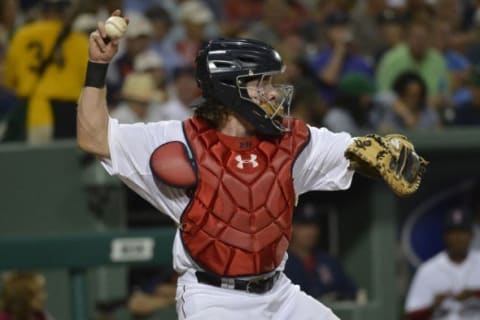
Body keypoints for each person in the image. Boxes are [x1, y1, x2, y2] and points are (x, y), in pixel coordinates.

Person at [77, 10, 426, 320]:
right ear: (230, 89)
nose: (273, 93)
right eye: (262, 83)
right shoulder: (176, 140)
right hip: (212, 298)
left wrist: (384, 152)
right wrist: (97, 66)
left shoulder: (290, 138)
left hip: (279, 294)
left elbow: (356, 150)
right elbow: (93, 137)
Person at [3, 0, 89, 143]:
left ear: (42, 10)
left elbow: (10, 80)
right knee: (64, 162)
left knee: (32, 161)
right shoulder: (79, 41)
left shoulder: (22, 35)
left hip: (31, 110)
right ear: (66, 10)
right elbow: (89, 83)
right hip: (67, 113)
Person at [404, 208, 480, 320]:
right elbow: (411, 315)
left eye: (462, 232)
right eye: (453, 233)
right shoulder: (428, 270)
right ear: (445, 236)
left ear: (471, 235)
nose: (458, 238)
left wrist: (474, 295)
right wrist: (434, 305)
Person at [284, 200, 357, 301]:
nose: (310, 232)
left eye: (314, 225)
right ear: (292, 228)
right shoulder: (282, 263)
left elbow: (351, 292)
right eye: (304, 225)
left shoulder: (329, 262)